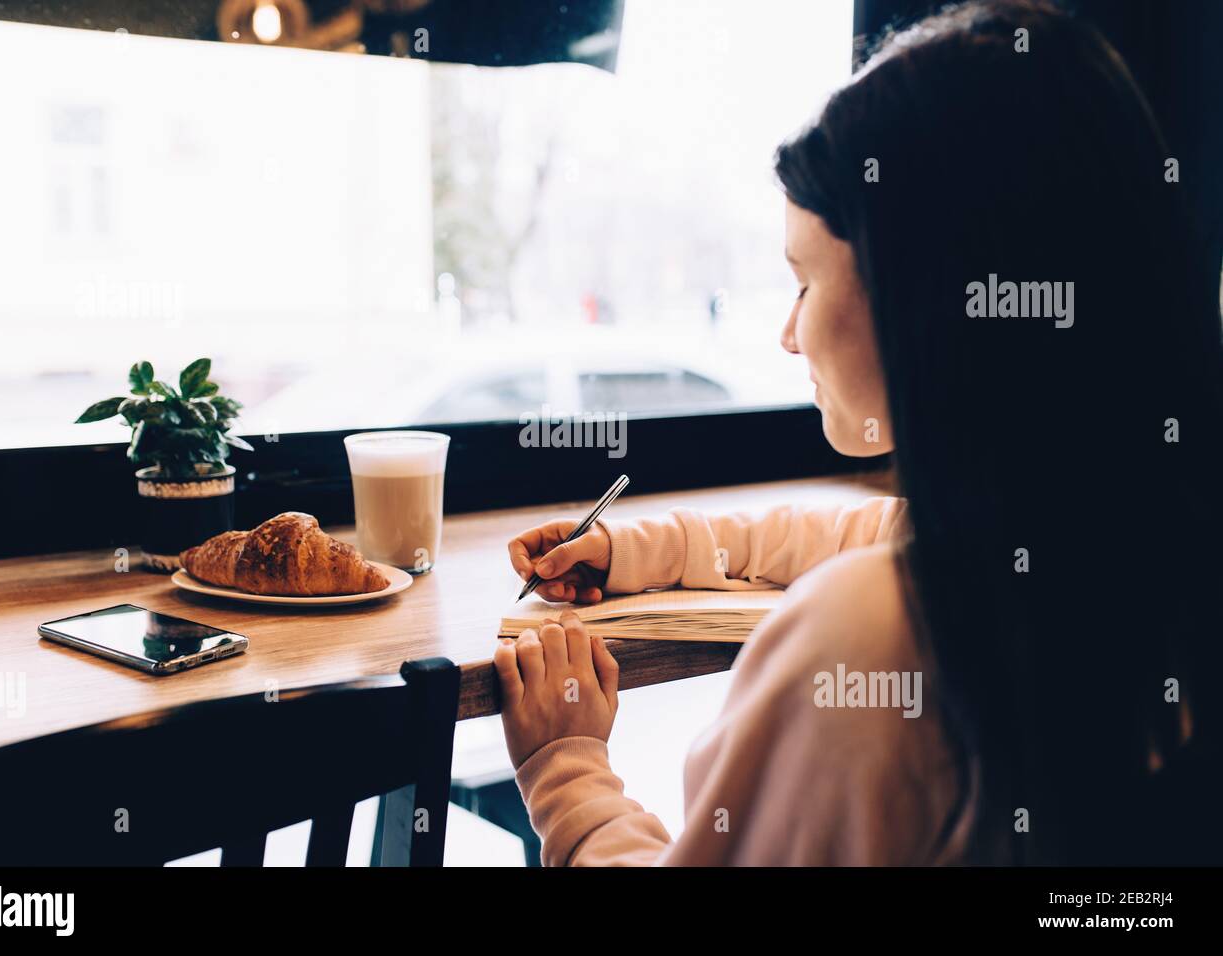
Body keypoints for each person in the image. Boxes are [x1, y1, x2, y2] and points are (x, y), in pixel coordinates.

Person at [492, 0, 1223, 866]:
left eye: (804, 282)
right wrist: (638, 550)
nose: (789, 332)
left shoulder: (875, 637)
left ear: (919, 295)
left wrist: (566, 770)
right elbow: (853, 532)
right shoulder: (1117, 545)